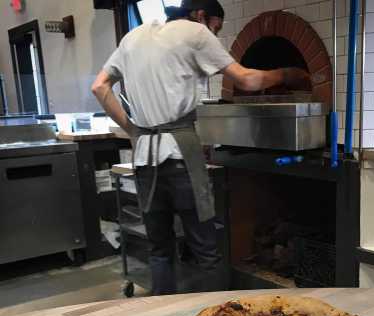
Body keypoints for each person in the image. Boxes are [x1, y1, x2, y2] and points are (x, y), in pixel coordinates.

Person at [92, 0, 310, 295]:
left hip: (145, 160)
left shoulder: (132, 37)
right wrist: (287, 75)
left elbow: (100, 86)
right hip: (181, 157)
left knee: (160, 250)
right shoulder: (194, 32)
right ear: (201, 15)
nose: (216, 35)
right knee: (206, 250)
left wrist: (133, 130)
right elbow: (246, 79)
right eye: (216, 28)